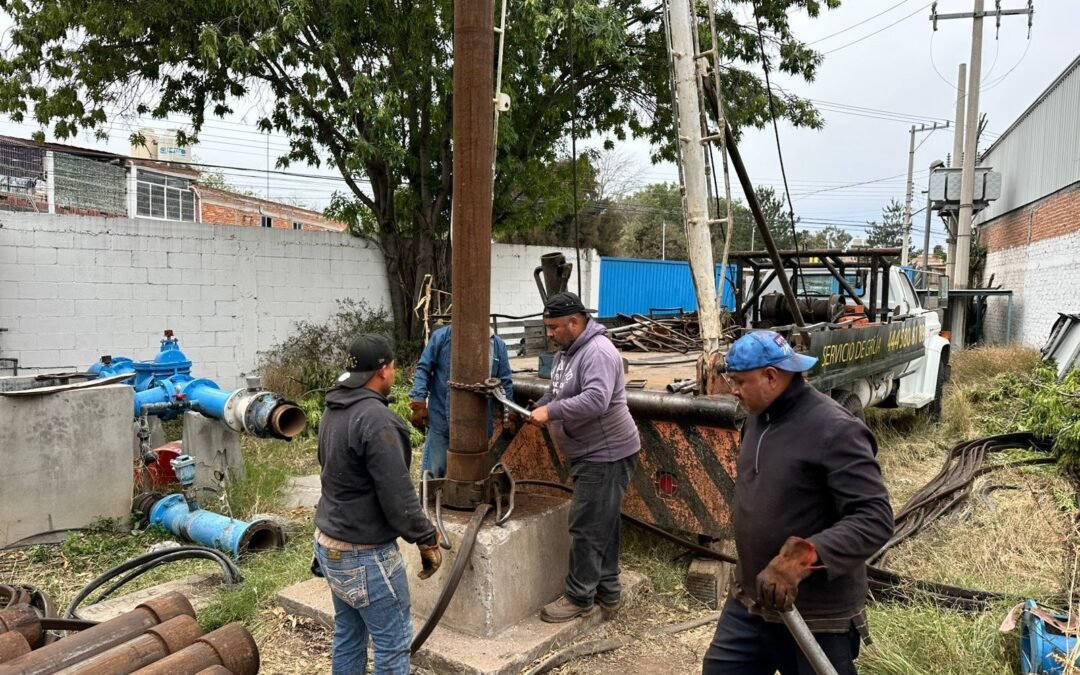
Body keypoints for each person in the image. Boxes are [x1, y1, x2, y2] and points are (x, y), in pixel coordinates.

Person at [701, 330, 894, 675]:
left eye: (740, 381)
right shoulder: (758, 416)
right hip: (750, 601)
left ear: (771, 376)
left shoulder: (835, 429)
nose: (734, 390)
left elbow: (874, 518)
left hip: (815, 617)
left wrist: (802, 556)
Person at [313, 334, 443, 675]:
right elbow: (398, 494)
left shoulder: (333, 409)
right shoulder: (377, 420)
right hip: (364, 555)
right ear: (384, 370)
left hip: (329, 545)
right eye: (394, 367)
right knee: (392, 646)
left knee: (349, 635)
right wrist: (425, 537)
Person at [529, 291, 641, 623]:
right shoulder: (566, 353)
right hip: (588, 452)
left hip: (606, 454)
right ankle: (608, 590)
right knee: (602, 521)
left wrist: (552, 412)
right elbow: (556, 390)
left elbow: (596, 400)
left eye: (554, 327)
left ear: (575, 322)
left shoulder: (598, 352)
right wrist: (540, 405)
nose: (549, 333)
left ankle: (579, 597)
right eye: (547, 327)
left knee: (587, 526)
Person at [408, 324, 514, 478]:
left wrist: (510, 415)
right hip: (442, 423)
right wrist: (418, 402)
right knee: (435, 473)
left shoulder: (497, 346)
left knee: (473, 476)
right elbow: (424, 368)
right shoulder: (442, 338)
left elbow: (505, 382)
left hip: (478, 427)